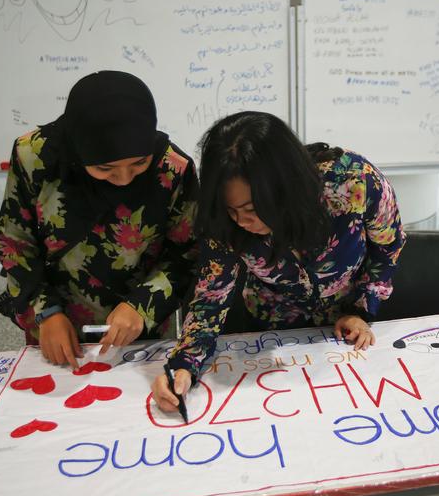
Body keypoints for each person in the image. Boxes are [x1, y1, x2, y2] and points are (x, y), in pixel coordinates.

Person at [152, 111, 405, 413]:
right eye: (232, 211)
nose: (242, 222)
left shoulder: (353, 183)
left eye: (252, 208)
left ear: (286, 186)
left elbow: (389, 245)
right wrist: (183, 365)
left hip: (350, 333)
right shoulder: (224, 222)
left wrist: (361, 308)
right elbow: (210, 299)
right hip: (272, 331)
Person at [0, 71, 198, 369]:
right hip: (56, 322)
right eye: (105, 168)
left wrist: (142, 306)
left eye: (139, 163)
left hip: (141, 324)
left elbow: (188, 253)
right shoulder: (36, 157)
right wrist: (45, 312)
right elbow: (14, 241)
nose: (124, 179)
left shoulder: (170, 168)